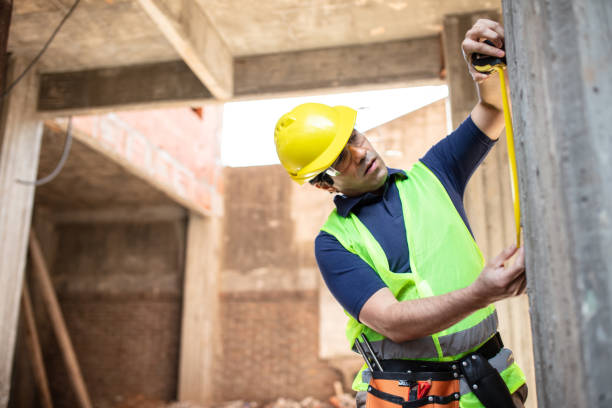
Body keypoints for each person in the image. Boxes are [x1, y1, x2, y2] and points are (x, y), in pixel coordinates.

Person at [274, 19, 527, 408]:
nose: (361, 153)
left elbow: (492, 108)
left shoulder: (435, 174)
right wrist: (483, 292)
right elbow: (391, 321)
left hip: (488, 385)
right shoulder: (334, 244)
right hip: (407, 397)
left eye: (353, 137)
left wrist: (483, 70)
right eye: (341, 158)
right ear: (325, 184)